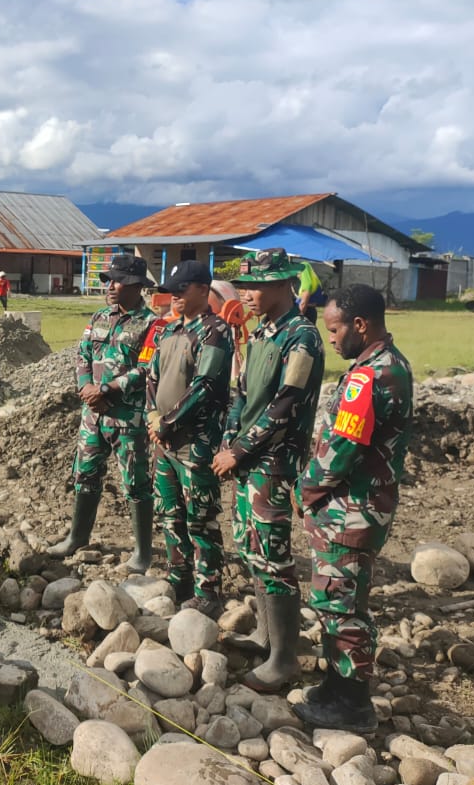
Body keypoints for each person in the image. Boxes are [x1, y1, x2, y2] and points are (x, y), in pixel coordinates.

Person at [293, 284, 412, 733]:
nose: (331, 338)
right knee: (337, 598)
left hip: (351, 509)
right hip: (358, 506)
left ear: (360, 325)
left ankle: (353, 705)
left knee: (342, 606)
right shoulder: (386, 364)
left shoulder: (371, 376)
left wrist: (307, 488)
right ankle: (336, 684)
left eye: (336, 329)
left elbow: (341, 449)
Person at [213, 248, 324, 692]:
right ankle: (265, 633)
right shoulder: (260, 334)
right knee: (251, 546)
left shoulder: (301, 337)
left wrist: (238, 451)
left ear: (284, 284)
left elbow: (285, 404)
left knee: (273, 555)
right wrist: (227, 440)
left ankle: (284, 658)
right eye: (246, 286)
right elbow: (240, 394)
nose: (249, 294)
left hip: (274, 464)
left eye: (258, 285)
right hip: (246, 461)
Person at [50, 255, 155, 573]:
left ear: (137, 286)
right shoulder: (97, 318)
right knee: (85, 474)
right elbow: (82, 355)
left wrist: (107, 391)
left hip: (127, 419)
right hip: (92, 415)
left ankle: (142, 553)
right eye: (108, 280)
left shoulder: (152, 325)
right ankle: (77, 537)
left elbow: (147, 369)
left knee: (135, 483)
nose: (110, 286)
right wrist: (86, 388)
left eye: (117, 280)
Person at [145, 261, 235, 618]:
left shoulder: (216, 331)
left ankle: (208, 589)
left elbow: (206, 386)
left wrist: (167, 422)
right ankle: (179, 577)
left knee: (200, 519)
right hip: (164, 443)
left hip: (195, 442)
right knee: (170, 514)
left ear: (202, 289)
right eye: (173, 291)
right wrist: (154, 419)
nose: (176, 297)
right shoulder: (169, 332)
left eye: (182, 290)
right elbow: (152, 377)